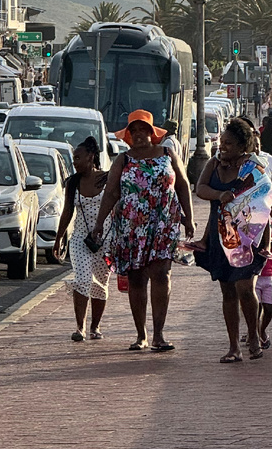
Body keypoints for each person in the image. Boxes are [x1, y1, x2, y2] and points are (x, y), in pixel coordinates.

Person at [92, 109, 194, 352]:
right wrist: (99, 223)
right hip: (131, 227)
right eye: (133, 131)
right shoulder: (123, 160)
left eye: (143, 130)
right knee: (136, 278)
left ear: (152, 132)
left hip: (163, 224)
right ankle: (141, 335)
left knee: (162, 275)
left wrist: (188, 218)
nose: (138, 135)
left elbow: (182, 185)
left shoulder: (167, 154)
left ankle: (159, 334)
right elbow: (111, 193)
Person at [194, 119, 270, 362]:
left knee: (245, 289)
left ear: (242, 145)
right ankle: (233, 346)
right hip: (219, 236)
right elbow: (200, 188)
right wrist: (219, 194)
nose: (222, 146)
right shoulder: (213, 163)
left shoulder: (253, 167)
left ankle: (254, 336)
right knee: (227, 291)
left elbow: (268, 200)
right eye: (221, 142)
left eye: (228, 143)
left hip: (246, 236)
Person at [54, 137, 111, 342]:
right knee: (83, 279)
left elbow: (119, 207)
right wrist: (59, 238)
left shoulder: (107, 179)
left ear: (91, 157)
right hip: (80, 239)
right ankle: (80, 328)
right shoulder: (73, 182)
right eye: (73, 158)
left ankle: (95, 327)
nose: (75, 162)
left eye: (78, 157)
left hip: (105, 241)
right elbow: (67, 211)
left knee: (101, 284)